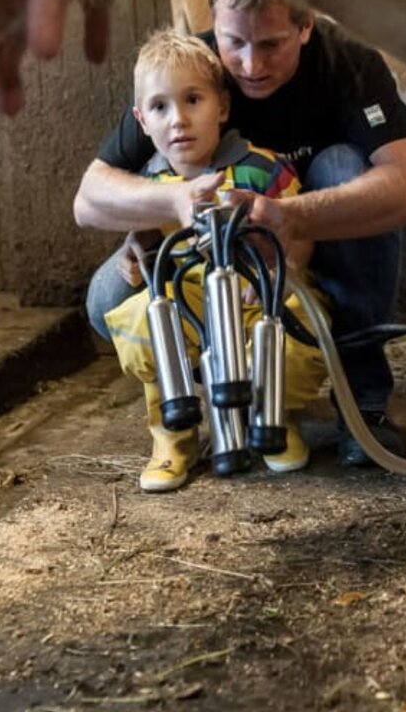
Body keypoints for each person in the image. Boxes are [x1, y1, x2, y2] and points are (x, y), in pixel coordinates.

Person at [75, 0, 406, 466]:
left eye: (271, 44)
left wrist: (290, 217)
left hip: (312, 261)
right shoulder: (193, 73)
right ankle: (232, 396)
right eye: (235, 43)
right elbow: (88, 198)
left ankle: (363, 402)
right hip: (213, 269)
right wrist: (169, 200)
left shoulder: (350, 65)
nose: (250, 65)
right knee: (108, 296)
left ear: (306, 24)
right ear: (214, 27)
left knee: (342, 165)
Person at [100, 28, 328, 492]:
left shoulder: (261, 167)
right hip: (186, 300)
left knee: (299, 328)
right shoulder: (149, 184)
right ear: (142, 122)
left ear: (221, 107)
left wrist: (283, 272)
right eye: (161, 108)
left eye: (192, 101)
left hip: (251, 295)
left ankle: (276, 421)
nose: (178, 120)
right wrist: (131, 254)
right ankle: (174, 437)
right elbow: (139, 240)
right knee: (145, 323)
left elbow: (299, 230)